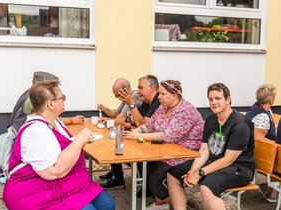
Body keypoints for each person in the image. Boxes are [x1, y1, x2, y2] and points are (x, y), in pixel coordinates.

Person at [3, 80, 115, 209]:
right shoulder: (36, 131)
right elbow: (52, 173)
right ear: (50, 104)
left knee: (107, 204)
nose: (64, 100)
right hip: (36, 192)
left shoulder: (55, 120)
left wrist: (80, 141)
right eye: (62, 98)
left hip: (64, 183)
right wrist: (79, 141)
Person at [167, 83, 255, 210]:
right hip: (215, 161)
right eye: (211, 99)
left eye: (218, 98)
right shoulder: (211, 119)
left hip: (239, 168)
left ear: (228, 100)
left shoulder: (240, 124)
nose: (213, 102)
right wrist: (193, 170)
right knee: (173, 174)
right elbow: (204, 150)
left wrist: (200, 173)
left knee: (207, 188)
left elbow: (228, 159)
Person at [123, 80, 204, 210]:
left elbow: (167, 136)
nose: (159, 97)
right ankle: (166, 203)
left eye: (163, 94)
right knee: (148, 169)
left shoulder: (186, 111)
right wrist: (134, 132)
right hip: (167, 151)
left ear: (175, 95)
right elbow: (150, 125)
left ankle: (172, 204)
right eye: (159, 93)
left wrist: (138, 136)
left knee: (155, 177)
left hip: (186, 154)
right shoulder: (163, 107)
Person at [102, 75, 161, 189]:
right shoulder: (146, 101)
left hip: (157, 144)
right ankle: (120, 176)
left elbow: (141, 124)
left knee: (119, 145)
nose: (138, 91)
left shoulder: (156, 101)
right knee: (117, 141)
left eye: (140, 88)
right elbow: (135, 120)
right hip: (147, 138)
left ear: (152, 88)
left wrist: (132, 104)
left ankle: (148, 187)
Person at [245, 84, 278, 202]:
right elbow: (259, 140)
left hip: (252, 153)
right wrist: (276, 143)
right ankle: (272, 190)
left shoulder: (257, 109)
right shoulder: (262, 115)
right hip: (258, 156)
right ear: (271, 99)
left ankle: (270, 188)